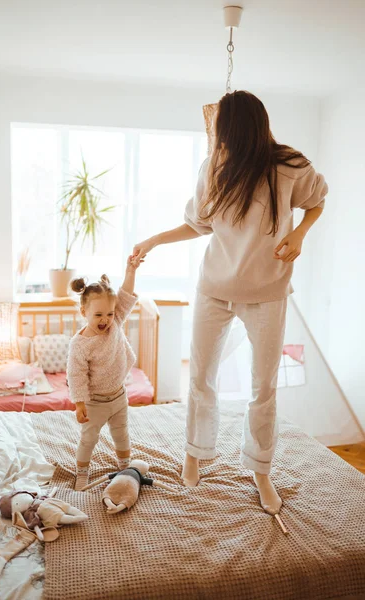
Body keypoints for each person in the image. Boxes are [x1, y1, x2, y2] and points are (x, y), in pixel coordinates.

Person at [133, 90, 327, 515]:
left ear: (235, 127)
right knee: (201, 378)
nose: (216, 133)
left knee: (264, 387)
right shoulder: (215, 168)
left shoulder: (289, 166)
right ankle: (194, 452)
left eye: (220, 126)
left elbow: (317, 202)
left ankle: (260, 470)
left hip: (268, 292)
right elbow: (197, 224)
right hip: (214, 290)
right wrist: (153, 240)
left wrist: (299, 234)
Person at [67, 256, 142, 490]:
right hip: (95, 402)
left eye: (109, 314)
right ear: (83, 311)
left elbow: (127, 296)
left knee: (122, 434)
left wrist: (130, 271)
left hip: (118, 396)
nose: (105, 320)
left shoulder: (116, 320)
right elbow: (76, 375)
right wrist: (79, 403)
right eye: (98, 315)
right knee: (89, 439)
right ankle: (81, 472)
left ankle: (125, 468)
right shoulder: (80, 344)